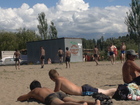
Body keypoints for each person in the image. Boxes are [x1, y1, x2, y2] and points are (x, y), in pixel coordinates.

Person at [17, 80, 101, 105]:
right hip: (58, 93)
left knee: (61, 104)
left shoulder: (33, 91)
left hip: (50, 97)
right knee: (74, 101)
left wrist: (30, 95)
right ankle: (95, 103)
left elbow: (20, 98)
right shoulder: (45, 88)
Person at [48, 69, 116, 97]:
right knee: (106, 91)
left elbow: (56, 91)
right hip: (84, 88)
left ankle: (119, 89)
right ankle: (118, 90)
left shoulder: (58, 80)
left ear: (51, 78)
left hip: (84, 91)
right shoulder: (62, 78)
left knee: (107, 92)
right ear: (58, 74)